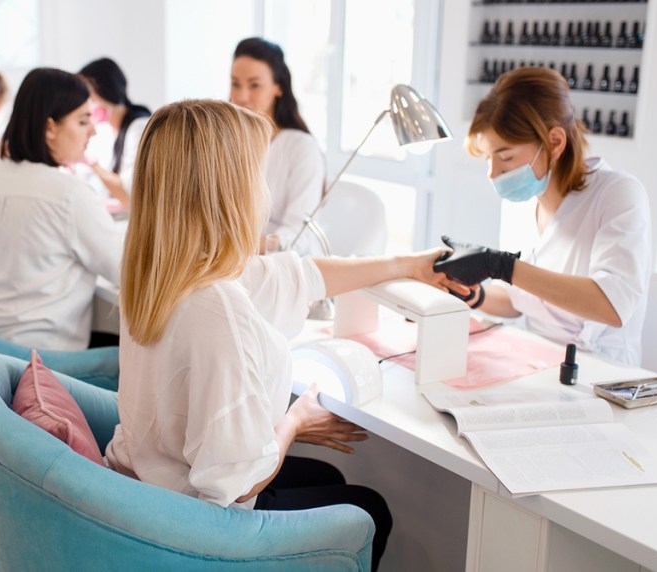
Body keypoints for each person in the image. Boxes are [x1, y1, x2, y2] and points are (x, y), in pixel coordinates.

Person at [105, 99, 462, 570]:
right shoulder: (217, 310)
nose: (265, 192)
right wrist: (295, 422)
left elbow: (303, 275)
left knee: (325, 474)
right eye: (259, 174)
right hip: (197, 530)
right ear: (228, 190)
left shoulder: (159, 273)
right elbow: (240, 483)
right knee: (368, 508)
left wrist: (408, 264)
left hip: (144, 490)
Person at [434, 67, 651, 366]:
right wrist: (475, 295)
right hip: (535, 358)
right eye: (488, 158)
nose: (493, 173)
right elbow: (520, 298)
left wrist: (502, 266)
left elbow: (611, 305)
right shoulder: (521, 202)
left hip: (602, 373)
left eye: (506, 157)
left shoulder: (619, 194)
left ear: (555, 142)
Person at [0, 68, 124, 351]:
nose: (93, 130)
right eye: (83, 121)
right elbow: (128, 272)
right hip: (38, 364)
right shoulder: (70, 194)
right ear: (50, 128)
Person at [230, 37, 324, 255]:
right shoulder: (229, 144)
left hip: (289, 265)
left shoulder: (302, 148)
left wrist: (240, 251)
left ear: (278, 88)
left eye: (254, 85)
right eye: (235, 84)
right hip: (239, 262)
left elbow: (298, 233)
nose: (242, 96)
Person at [77, 57, 151, 209]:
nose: (86, 100)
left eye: (89, 94)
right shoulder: (104, 131)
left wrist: (93, 164)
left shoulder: (138, 128)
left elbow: (129, 194)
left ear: (105, 90)